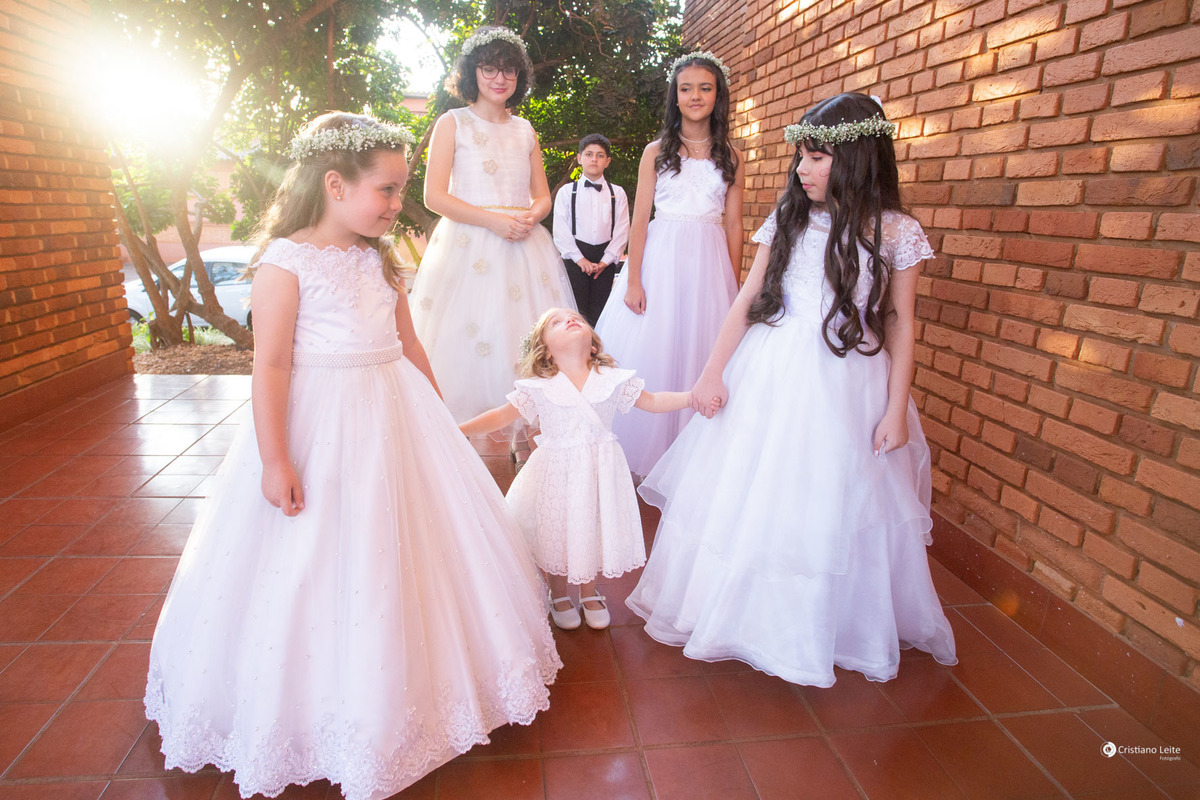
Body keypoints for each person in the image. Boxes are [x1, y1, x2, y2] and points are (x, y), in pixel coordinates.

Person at [143, 112, 561, 800]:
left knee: (412, 540)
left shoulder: (377, 257)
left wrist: (438, 413)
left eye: (400, 190)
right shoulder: (284, 263)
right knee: (325, 551)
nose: (398, 204)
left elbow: (410, 342)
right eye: (387, 190)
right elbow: (272, 366)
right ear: (335, 185)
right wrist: (276, 460)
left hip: (396, 408)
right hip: (322, 422)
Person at [627, 93, 958, 687]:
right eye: (801, 156)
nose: (802, 169)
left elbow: (900, 321)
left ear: (857, 158)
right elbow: (749, 295)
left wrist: (895, 408)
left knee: (830, 493)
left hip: (848, 380)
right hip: (772, 366)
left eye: (818, 157)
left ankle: (823, 622)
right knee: (758, 490)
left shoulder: (897, 232)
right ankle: (742, 615)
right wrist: (712, 371)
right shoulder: (791, 217)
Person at [459, 308, 697, 631]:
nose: (570, 320)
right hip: (556, 474)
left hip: (599, 473)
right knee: (555, 531)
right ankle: (558, 593)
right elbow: (501, 416)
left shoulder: (611, 379)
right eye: (556, 322)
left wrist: (692, 398)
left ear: (593, 344)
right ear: (546, 352)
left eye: (576, 319)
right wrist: (459, 429)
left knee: (591, 525)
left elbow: (653, 401)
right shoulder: (539, 387)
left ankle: (588, 591)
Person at [410, 26, 575, 426]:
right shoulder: (452, 122)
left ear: (519, 76)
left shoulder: (525, 129)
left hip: (525, 245)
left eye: (509, 70)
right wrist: (493, 221)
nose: (500, 78)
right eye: (489, 69)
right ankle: (467, 435)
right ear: (473, 72)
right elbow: (435, 197)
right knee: (471, 339)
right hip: (468, 246)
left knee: (524, 339)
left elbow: (542, 195)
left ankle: (526, 434)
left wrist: (533, 215)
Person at [593, 51, 744, 478]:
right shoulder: (656, 151)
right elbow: (640, 219)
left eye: (705, 88)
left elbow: (735, 224)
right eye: (686, 89)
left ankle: (692, 461)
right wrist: (633, 280)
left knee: (701, 346)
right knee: (657, 345)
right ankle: (648, 454)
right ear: (675, 97)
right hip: (661, 260)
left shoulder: (732, 156)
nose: (695, 96)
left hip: (709, 263)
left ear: (718, 95)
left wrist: (732, 287)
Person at [552, 134, 630, 327]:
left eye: (600, 155)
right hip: (575, 259)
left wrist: (605, 261)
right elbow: (561, 231)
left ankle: (598, 345)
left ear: (607, 161)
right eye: (589, 154)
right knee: (575, 312)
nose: (594, 159)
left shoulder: (617, 193)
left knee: (601, 313)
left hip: (605, 260)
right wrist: (581, 260)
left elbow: (622, 230)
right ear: (579, 158)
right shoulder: (566, 192)